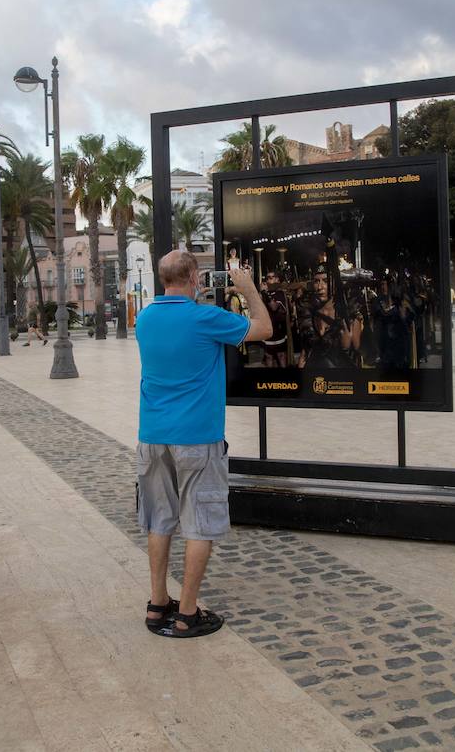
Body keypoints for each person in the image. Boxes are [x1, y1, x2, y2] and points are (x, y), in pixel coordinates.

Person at [135, 252, 271, 638]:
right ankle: (187, 613)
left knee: (159, 521)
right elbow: (264, 328)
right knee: (199, 525)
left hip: (152, 435)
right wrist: (247, 288)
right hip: (197, 437)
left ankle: (158, 603)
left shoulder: (145, 319)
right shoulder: (204, 318)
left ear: (163, 279)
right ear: (194, 277)